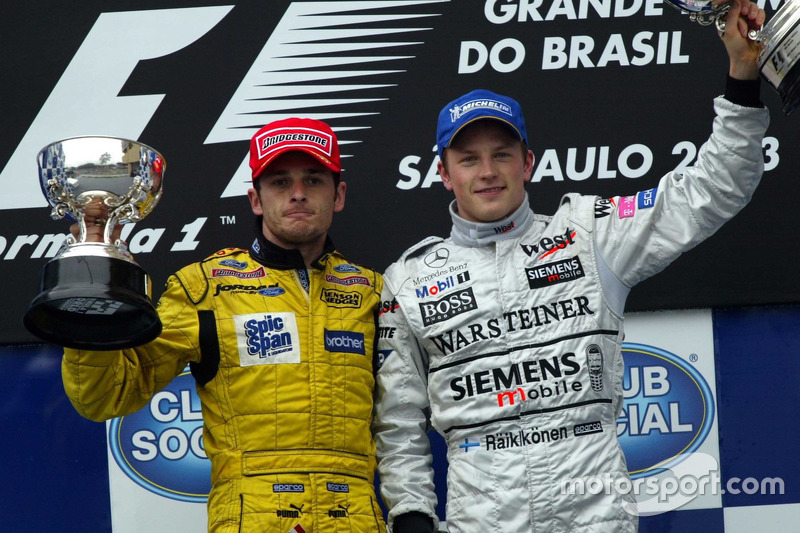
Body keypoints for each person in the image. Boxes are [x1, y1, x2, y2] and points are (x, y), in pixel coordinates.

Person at [372, 0, 768, 531]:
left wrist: (742, 78)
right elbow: (395, 420)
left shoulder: (587, 233)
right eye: (468, 159)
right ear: (444, 173)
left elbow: (713, 188)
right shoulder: (410, 278)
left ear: (528, 162)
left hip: (594, 509)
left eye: (503, 154)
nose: (487, 172)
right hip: (482, 515)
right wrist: (412, 512)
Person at [61, 118, 388, 533]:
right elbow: (105, 397)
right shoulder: (206, 287)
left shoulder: (373, 292)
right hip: (252, 517)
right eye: (280, 182)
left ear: (338, 194)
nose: (299, 194)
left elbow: (406, 419)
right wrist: (93, 291)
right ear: (256, 198)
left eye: (314, 180)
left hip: (356, 516)